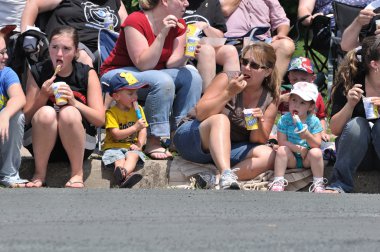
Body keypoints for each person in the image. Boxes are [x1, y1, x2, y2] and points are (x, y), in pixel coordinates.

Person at [100, 0, 202, 160]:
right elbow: (143, 64)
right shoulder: (135, 20)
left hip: (154, 75)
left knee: (193, 77)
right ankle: (153, 139)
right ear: (165, 1)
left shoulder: (180, 24)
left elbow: (171, 63)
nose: (187, 3)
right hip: (117, 75)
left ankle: (180, 136)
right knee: (163, 80)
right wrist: (162, 33)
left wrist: (186, 55)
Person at [173, 42, 279, 189]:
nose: (247, 68)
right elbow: (200, 113)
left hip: (226, 149)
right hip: (193, 138)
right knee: (220, 120)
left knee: (269, 155)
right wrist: (228, 93)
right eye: (245, 62)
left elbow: (257, 140)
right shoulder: (227, 79)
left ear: (267, 71)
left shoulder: (271, 98)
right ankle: (226, 173)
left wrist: (257, 123)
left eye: (254, 65)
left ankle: (214, 179)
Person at [23, 26, 104, 188]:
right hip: (41, 144)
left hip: (79, 144)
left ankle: (76, 174)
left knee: (69, 112)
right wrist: (43, 96)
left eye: (66, 49)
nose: (59, 54)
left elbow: (100, 120)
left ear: (75, 52)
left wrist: (75, 103)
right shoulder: (38, 71)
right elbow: (25, 119)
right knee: (46, 112)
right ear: (49, 49)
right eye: (54, 47)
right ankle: (39, 174)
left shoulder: (86, 73)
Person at [324, 36, 380, 193]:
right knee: (357, 124)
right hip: (358, 156)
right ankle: (338, 184)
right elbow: (334, 129)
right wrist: (350, 105)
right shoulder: (350, 82)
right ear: (374, 64)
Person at [20, 0, 128, 67]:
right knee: (83, 57)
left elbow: (127, 25)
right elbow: (33, 4)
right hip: (72, 44)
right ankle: (92, 102)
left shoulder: (115, 1)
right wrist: (27, 36)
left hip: (106, 48)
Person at [269, 82, 326, 192]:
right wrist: (298, 149)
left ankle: (318, 182)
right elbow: (281, 141)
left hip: (307, 159)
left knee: (316, 152)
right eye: (294, 100)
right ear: (289, 100)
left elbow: (317, 144)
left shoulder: (314, 121)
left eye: (302, 103)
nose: (296, 105)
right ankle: (278, 181)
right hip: (291, 158)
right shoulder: (285, 120)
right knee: (281, 150)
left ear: (311, 106)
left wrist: (307, 136)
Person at [220, 0, 295, 80]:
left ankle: (272, 88)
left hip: (262, 40)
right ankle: (231, 88)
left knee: (286, 45)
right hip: (233, 40)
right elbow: (224, 9)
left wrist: (281, 34)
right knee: (231, 51)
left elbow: (281, 20)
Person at [102, 72, 147, 188]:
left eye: (136, 93)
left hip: (131, 146)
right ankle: (124, 175)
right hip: (113, 146)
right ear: (117, 96)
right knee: (119, 159)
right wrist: (134, 127)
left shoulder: (139, 110)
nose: (135, 97)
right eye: (130, 93)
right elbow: (116, 135)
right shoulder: (111, 113)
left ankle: (123, 174)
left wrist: (139, 145)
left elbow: (143, 130)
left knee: (133, 155)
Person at [183, 0, 240, 91]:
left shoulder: (213, 2)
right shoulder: (178, 2)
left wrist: (206, 27)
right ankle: (208, 99)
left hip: (206, 42)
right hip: (183, 43)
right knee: (207, 50)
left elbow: (220, 36)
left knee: (231, 51)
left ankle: (230, 97)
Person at [0, 29, 29, 188]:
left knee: (16, 115)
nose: (6, 57)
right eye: (1, 53)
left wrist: (4, 114)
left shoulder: (6, 73)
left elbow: (19, 98)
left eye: (5, 52)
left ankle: (9, 174)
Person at [278, 57, 329, 141]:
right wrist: (280, 99)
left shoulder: (316, 97)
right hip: (286, 136)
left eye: (303, 79)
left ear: (313, 78)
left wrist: (322, 132)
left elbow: (321, 117)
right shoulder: (285, 95)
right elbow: (270, 111)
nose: (299, 82)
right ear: (289, 78)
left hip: (310, 136)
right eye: (295, 79)